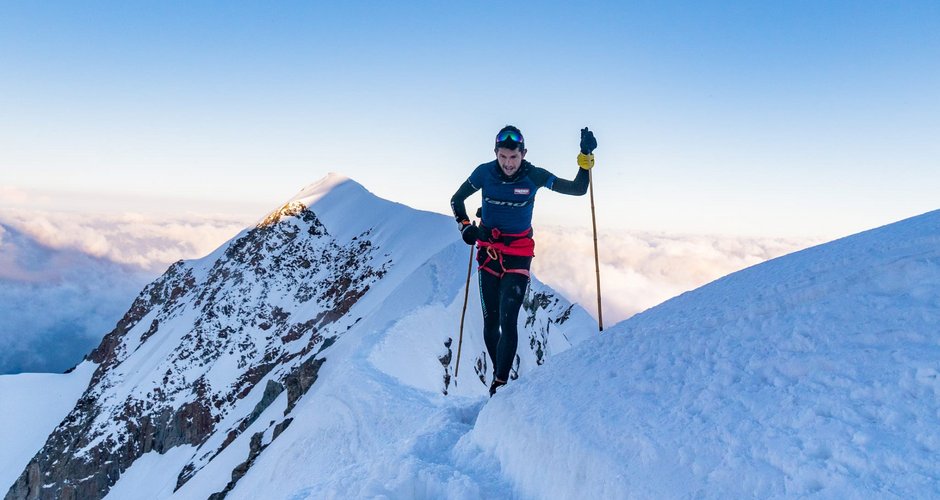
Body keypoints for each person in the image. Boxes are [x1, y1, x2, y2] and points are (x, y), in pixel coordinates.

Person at [450, 125, 597, 396]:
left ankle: (500, 385)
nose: (507, 163)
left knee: (509, 320)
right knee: (490, 323)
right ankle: (499, 373)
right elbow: (457, 199)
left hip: (518, 255)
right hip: (488, 254)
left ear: (523, 153)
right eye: (503, 157)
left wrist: (585, 155)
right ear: (495, 153)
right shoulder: (484, 172)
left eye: (513, 157)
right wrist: (465, 226)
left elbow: (578, 189)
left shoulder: (534, 175)